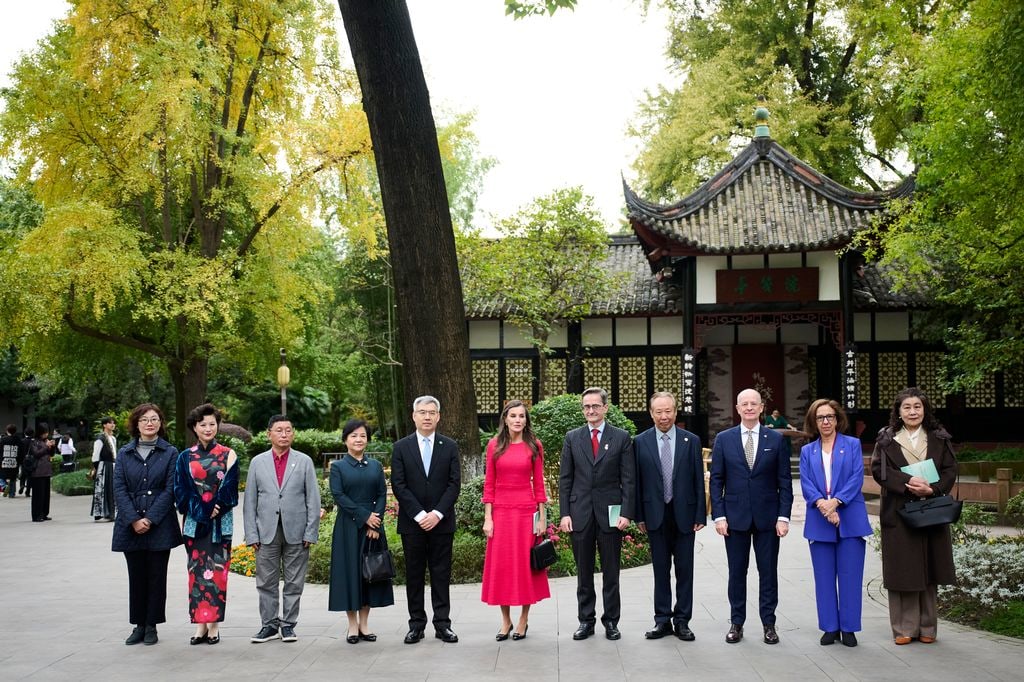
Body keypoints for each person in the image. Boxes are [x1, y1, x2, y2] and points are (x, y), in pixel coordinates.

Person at [870, 387, 957, 645]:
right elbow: (879, 470)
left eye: (917, 406)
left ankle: (928, 627)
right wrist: (909, 482)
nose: (912, 411)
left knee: (930, 568)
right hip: (899, 512)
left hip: (931, 510)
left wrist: (933, 488)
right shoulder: (886, 438)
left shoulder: (939, 437)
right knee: (903, 572)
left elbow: (951, 469)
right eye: (906, 407)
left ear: (925, 409)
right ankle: (904, 628)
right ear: (898, 411)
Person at [709, 388, 793, 645]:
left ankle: (769, 623)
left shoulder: (775, 439)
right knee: (737, 572)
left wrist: (783, 516)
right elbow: (717, 480)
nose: (748, 408)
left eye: (753, 404)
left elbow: (784, 481)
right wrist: (719, 516)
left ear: (761, 407)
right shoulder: (724, 439)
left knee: (768, 572)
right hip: (734, 518)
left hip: (768, 517)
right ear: (737, 408)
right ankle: (737, 622)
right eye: (744, 404)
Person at [559, 387, 636, 641]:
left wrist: (626, 512)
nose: (590, 411)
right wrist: (564, 514)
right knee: (583, 572)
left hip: (610, 514)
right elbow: (565, 479)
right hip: (580, 512)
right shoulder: (573, 437)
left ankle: (611, 622)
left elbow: (628, 478)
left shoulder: (621, 437)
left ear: (605, 407)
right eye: (586, 407)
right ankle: (586, 620)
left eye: (595, 406)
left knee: (611, 572)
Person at [799, 399, 872, 647]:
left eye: (830, 416)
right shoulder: (808, 451)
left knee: (851, 575)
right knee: (824, 576)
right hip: (820, 520)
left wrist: (837, 502)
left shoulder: (851, 445)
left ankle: (849, 628)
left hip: (849, 517)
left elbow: (856, 477)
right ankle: (830, 627)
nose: (826, 421)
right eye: (820, 418)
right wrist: (823, 504)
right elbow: (807, 483)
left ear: (838, 419)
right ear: (814, 421)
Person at [634, 391, 705, 642]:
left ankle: (683, 621)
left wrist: (701, 514)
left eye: (668, 411)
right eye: (658, 412)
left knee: (685, 570)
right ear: (651, 413)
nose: (664, 416)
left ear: (675, 412)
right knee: (660, 570)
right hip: (655, 514)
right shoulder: (640, 441)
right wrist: (639, 516)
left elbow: (698, 480)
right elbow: (637, 483)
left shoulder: (691, 440)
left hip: (684, 514)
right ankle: (662, 620)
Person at [244, 414, 321, 644]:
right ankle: (268, 625)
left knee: (294, 581)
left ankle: (288, 625)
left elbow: (313, 499)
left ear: (293, 433)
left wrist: (310, 531)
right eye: (279, 430)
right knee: (265, 581)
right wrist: (251, 533)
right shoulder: (258, 462)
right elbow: (250, 502)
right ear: (269, 434)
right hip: (265, 531)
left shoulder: (304, 461)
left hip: (297, 531)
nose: (284, 434)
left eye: (288, 430)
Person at [390, 395, 461, 644]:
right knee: (415, 575)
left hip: (442, 523)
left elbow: (454, 484)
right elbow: (398, 484)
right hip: (413, 523)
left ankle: (443, 624)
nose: (427, 416)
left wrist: (437, 514)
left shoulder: (449, 446)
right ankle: (416, 625)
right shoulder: (401, 447)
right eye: (422, 412)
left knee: (441, 574)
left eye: (432, 412)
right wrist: (420, 515)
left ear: (439, 416)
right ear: (414, 416)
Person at [112, 404, 182, 645]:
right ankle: (138, 625)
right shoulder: (124, 453)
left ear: (161, 423)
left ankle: (152, 625)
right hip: (129, 524)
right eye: (144, 420)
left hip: (159, 524)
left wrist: (150, 519)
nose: (150, 423)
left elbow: (171, 488)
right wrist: (133, 519)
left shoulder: (171, 452)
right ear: (136, 424)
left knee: (156, 576)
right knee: (136, 576)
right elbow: (119, 488)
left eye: (154, 419)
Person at [481, 400, 549, 641]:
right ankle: (506, 620)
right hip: (501, 513)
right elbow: (489, 485)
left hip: (526, 513)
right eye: (513, 416)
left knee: (525, 566)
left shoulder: (534, 446)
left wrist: (542, 518)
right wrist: (488, 518)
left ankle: (523, 619)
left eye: (522, 416)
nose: (518, 420)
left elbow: (539, 485)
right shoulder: (494, 446)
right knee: (503, 566)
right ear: (505, 419)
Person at [174, 403, 239, 645]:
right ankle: (200, 625)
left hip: (221, 524)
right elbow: (181, 491)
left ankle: (214, 626)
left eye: (212, 424)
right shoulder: (184, 457)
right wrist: (201, 511)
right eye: (203, 424)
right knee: (196, 573)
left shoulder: (228, 454)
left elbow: (231, 489)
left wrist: (214, 508)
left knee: (218, 574)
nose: (208, 428)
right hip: (194, 524)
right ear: (194, 427)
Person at [328, 418, 394, 643]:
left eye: (363, 436)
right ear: (346, 439)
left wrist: (376, 522)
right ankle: (352, 626)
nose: (359, 439)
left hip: (373, 526)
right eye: (354, 435)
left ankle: (365, 625)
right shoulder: (337, 467)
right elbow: (339, 496)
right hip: (348, 527)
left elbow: (382, 494)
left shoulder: (375, 465)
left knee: (370, 574)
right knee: (350, 574)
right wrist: (365, 517)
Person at [91, 416, 118, 521]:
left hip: (112, 465)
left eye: (113, 423)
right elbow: (95, 455)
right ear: (104, 425)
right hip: (103, 466)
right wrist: (97, 468)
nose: (113, 425)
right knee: (102, 489)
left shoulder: (113, 438)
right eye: (110, 423)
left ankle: (110, 512)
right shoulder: (100, 438)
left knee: (111, 489)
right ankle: (102, 512)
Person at [27, 423, 55, 522]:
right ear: (39, 432)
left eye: (47, 432)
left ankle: (44, 513)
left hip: (47, 471)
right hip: (37, 472)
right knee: (38, 495)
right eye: (44, 433)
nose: (46, 435)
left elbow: (51, 454)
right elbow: (36, 454)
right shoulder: (34, 442)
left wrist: (52, 447)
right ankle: (36, 515)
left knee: (46, 495)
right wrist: (46, 447)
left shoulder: (46, 441)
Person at [1, 424, 22, 499]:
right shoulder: (18, 440)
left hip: (4, 461)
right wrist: (20, 461)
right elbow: (21, 452)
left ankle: (5, 487)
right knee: (13, 477)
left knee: (3, 476)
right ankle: (12, 493)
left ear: (7, 431)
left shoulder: (3, 439)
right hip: (14, 461)